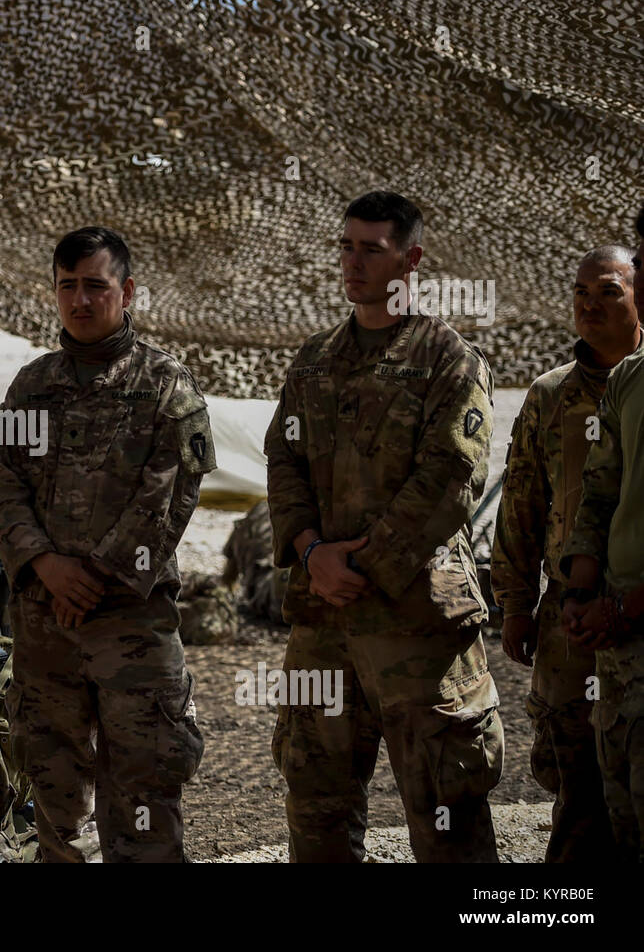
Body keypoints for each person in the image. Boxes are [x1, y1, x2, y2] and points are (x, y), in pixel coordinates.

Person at [265, 191, 502, 862]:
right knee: (316, 812)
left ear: (411, 257)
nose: (355, 261)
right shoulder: (312, 362)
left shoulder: (449, 361)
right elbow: (283, 458)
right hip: (323, 626)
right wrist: (311, 552)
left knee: (447, 815)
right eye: (346, 245)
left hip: (416, 627)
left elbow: (451, 479)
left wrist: (360, 564)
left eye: (372, 247)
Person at [0, 225, 214, 863]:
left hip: (131, 625)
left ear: (128, 291)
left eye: (96, 285)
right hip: (45, 628)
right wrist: (45, 564)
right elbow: (4, 485)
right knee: (57, 796)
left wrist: (94, 576)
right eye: (68, 287)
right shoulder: (31, 388)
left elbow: (169, 495)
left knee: (144, 788)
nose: (81, 301)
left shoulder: (165, 386)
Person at [492, 245, 638, 862]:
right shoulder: (551, 397)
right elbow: (520, 501)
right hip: (570, 617)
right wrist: (516, 604)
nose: (589, 304)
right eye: (581, 291)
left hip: (635, 610)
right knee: (574, 777)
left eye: (607, 291)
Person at [561, 207, 644, 862]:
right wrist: (578, 593)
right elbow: (598, 492)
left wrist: (621, 607)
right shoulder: (627, 383)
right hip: (617, 646)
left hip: (629, 617)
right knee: (617, 818)